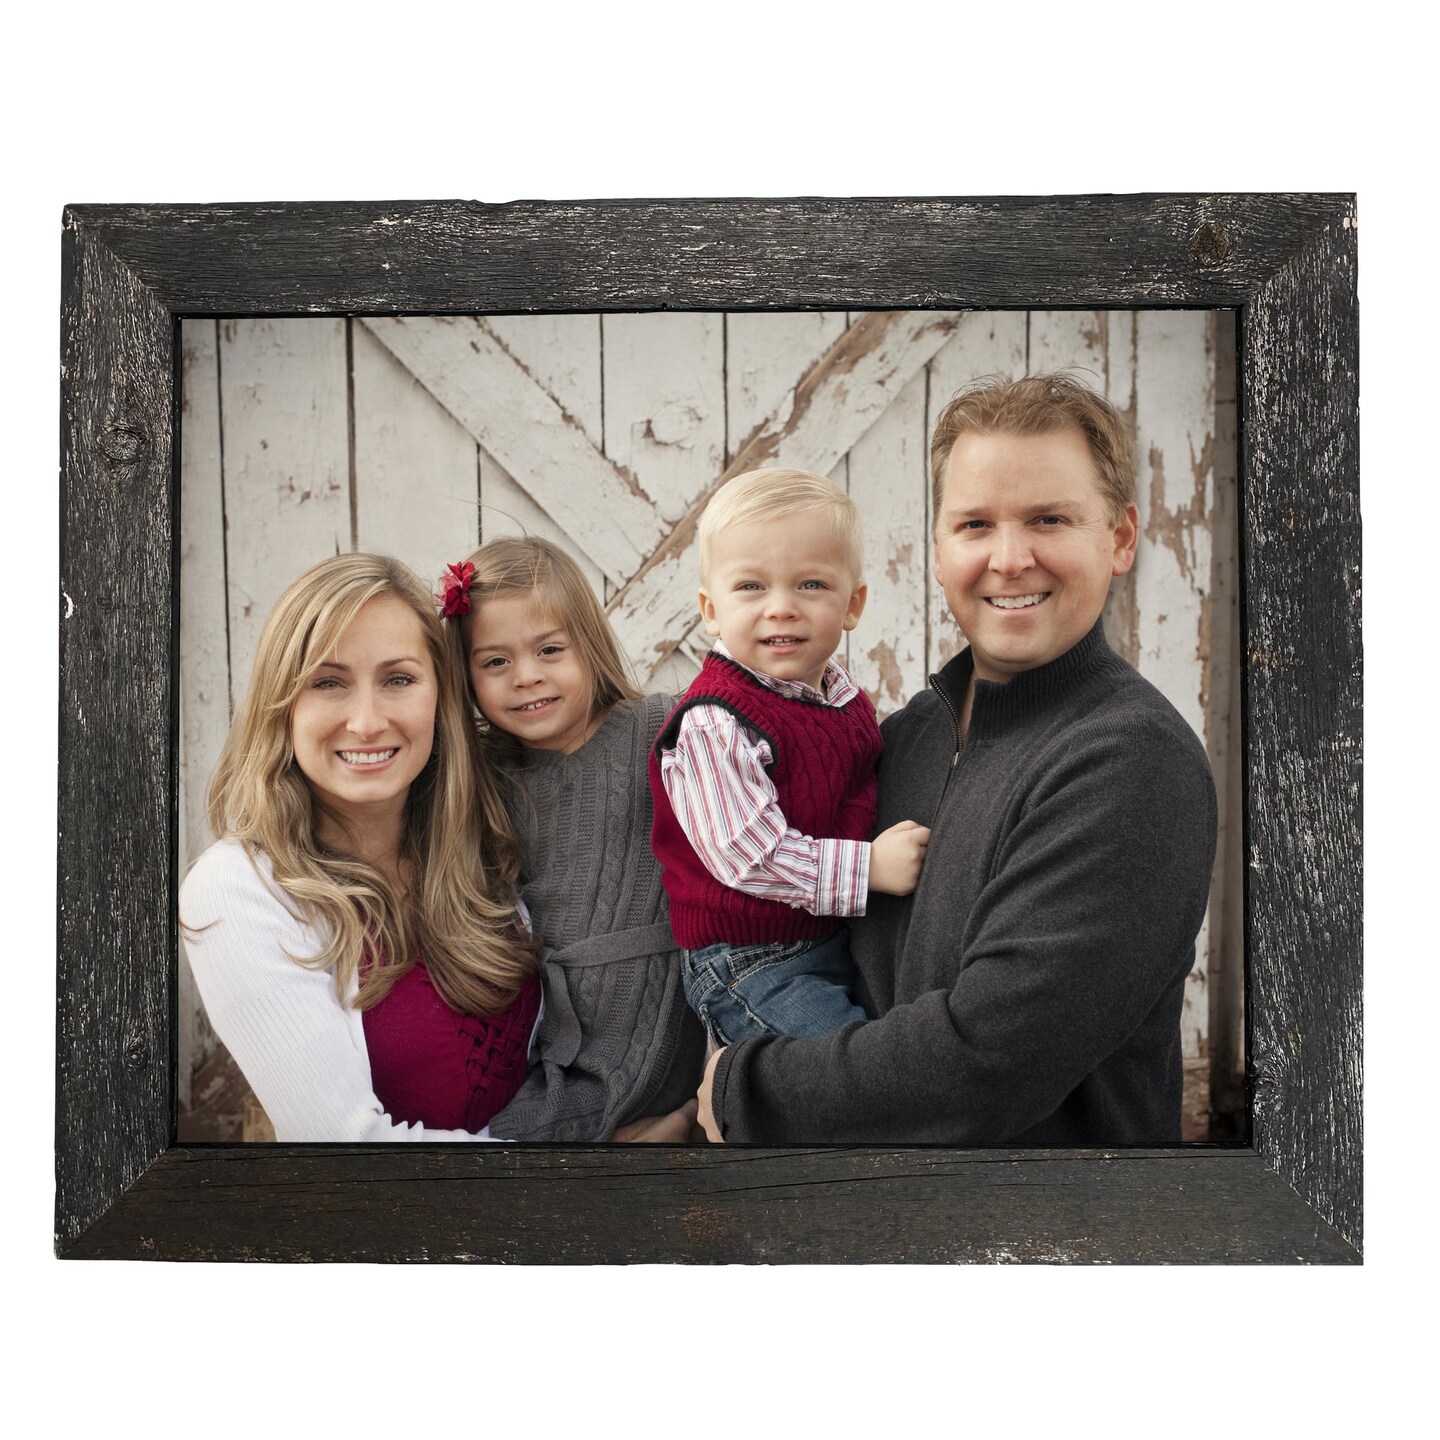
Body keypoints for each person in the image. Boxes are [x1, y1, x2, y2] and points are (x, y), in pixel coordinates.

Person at [698, 375, 1219, 1145]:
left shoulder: (1131, 762)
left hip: (1054, 1219)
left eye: (1049, 519)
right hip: (871, 1208)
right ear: (939, 552)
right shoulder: (907, 735)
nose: (1009, 559)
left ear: (1119, 538)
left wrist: (743, 1090)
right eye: (975, 525)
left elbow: (986, 1064)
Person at [180, 553, 543, 1141]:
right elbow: (347, 1149)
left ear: (441, 697)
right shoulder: (239, 887)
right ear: (282, 705)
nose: (367, 722)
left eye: (398, 679)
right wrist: (593, 1160)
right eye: (328, 683)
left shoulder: (490, 840)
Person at [648, 468, 930, 1045]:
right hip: (751, 960)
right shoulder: (714, 722)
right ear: (710, 610)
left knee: (910, 1036)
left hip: (833, 931)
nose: (781, 607)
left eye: (810, 585)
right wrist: (869, 868)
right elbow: (752, 857)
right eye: (751, 586)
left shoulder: (840, 696)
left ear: (852, 604)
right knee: (850, 1069)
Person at [441, 536, 705, 1141]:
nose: (526, 676)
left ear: (588, 643)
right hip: (555, 1042)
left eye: (549, 649)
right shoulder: (482, 777)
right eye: (495, 662)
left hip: (662, 1025)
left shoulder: (665, 729)